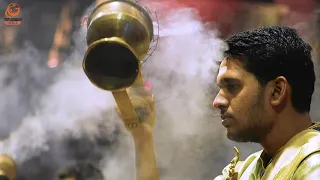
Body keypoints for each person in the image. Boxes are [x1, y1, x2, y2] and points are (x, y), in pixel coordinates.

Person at [119, 26, 320, 180]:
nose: (217, 102)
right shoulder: (245, 170)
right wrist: (143, 137)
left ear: (276, 91)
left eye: (232, 86)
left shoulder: (314, 163)